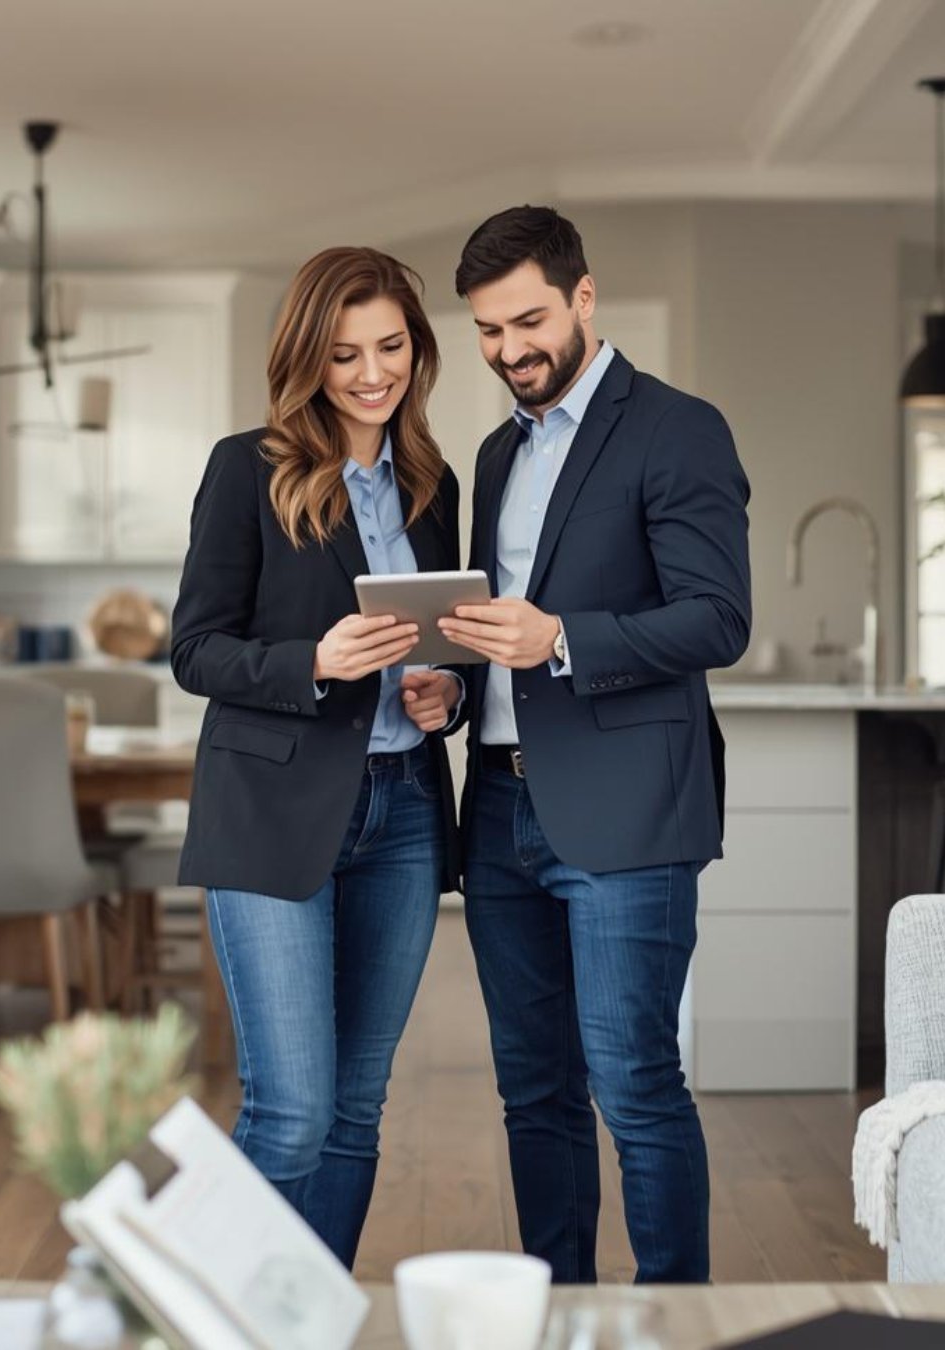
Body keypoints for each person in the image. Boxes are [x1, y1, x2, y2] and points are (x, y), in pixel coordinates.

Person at [439, 206, 751, 1284]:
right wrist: (456, 674)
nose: (510, 350)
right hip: (500, 805)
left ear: (583, 296)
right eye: (487, 330)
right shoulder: (493, 452)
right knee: (534, 1089)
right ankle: (558, 1306)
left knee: (634, 1083)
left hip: (625, 812)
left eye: (527, 319)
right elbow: (500, 627)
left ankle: (675, 1317)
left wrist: (563, 638)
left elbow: (718, 618)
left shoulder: (678, 428)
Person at [171, 246, 462, 1269]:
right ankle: (216, 1318)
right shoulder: (245, 469)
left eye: (390, 347)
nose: (371, 373)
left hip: (405, 815)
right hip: (274, 813)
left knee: (353, 1109)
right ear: (308, 356)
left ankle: (310, 1321)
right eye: (345, 354)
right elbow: (195, 649)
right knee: (291, 1110)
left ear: (417, 351)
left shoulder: (431, 484)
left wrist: (445, 693)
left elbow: (443, 644)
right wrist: (316, 661)